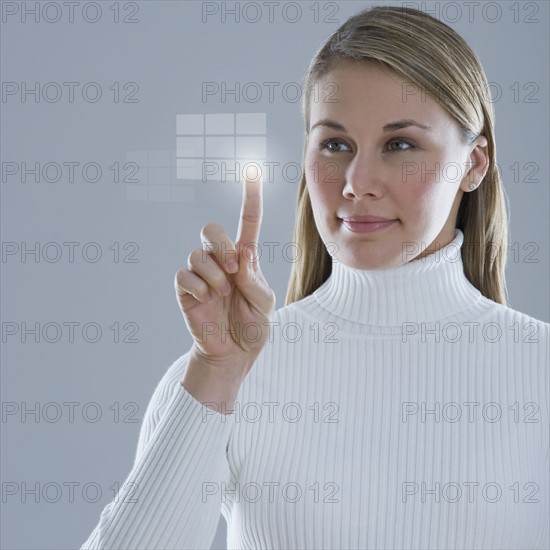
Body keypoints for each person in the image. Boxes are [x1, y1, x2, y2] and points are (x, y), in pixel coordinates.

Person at [80, 5, 549, 549]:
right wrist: (217, 373)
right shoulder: (226, 371)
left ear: (473, 164)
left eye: (400, 145)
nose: (357, 182)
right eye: (335, 144)